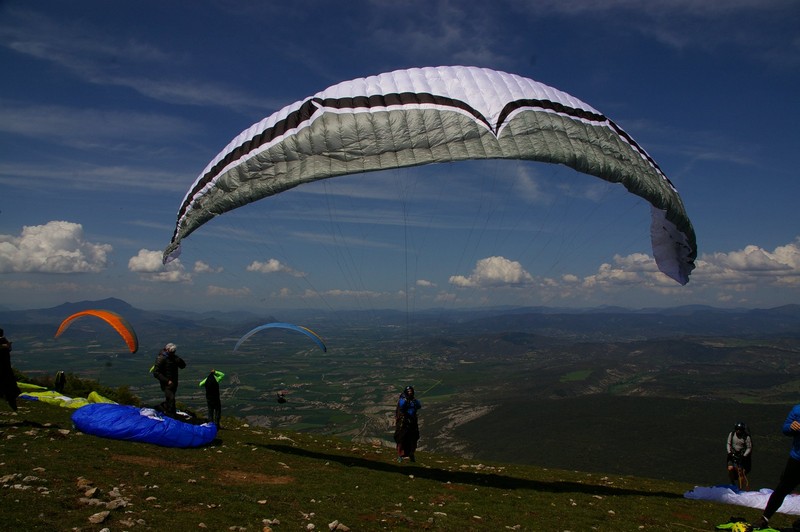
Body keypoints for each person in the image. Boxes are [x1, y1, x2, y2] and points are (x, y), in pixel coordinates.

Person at [750, 405, 800, 530]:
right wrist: (791, 427)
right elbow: (785, 428)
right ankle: (765, 518)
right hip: (797, 459)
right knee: (782, 488)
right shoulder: (797, 410)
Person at [152, 343, 186, 416]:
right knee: (171, 399)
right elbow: (156, 373)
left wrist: (178, 359)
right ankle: (170, 414)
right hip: (166, 383)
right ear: (167, 350)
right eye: (171, 352)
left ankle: (166, 409)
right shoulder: (161, 358)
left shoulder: (174, 358)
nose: (172, 353)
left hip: (174, 382)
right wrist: (167, 381)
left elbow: (183, 366)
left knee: (170, 399)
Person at [394, 385, 421, 463]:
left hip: (412, 422)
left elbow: (419, 406)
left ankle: (411, 454)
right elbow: (402, 406)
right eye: (409, 391)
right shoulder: (403, 399)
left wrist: (414, 402)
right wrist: (406, 401)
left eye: (411, 391)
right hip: (404, 422)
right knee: (401, 439)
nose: (410, 393)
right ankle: (399, 456)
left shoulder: (414, 400)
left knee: (413, 439)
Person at [0, 328, 20, 411]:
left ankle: (12, 403)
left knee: (7, 388)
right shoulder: (5, 342)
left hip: (3, 370)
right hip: (6, 370)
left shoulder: (3, 343)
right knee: (9, 388)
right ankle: (12, 403)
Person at [727, 422, 753, 486]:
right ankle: (733, 483)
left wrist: (744, 455)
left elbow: (749, 447)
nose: (738, 431)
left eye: (740, 429)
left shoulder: (746, 437)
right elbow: (728, 443)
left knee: (740, 472)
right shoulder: (732, 434)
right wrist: (729, 452)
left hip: (741, 455)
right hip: (732, 454)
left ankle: (740, 487)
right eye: (737, 429)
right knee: (730, 468)